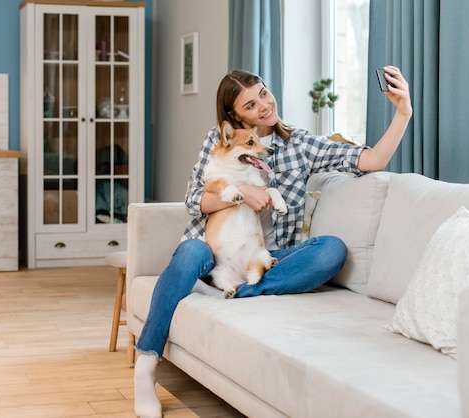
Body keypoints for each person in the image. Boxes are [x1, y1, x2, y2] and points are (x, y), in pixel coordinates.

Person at [134, 66, 412, 418]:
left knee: (332, 250)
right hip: (213, 248)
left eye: (263, 93)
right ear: (235, 116)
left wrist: (403, 112)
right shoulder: (220, 140)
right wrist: (243, 194)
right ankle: (145, 366)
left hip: (265, 257)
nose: (264, 106)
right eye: (250, 105)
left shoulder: (299, 145)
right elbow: (193, 200)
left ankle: (235, 291)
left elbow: (372, 160)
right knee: (189, 252)